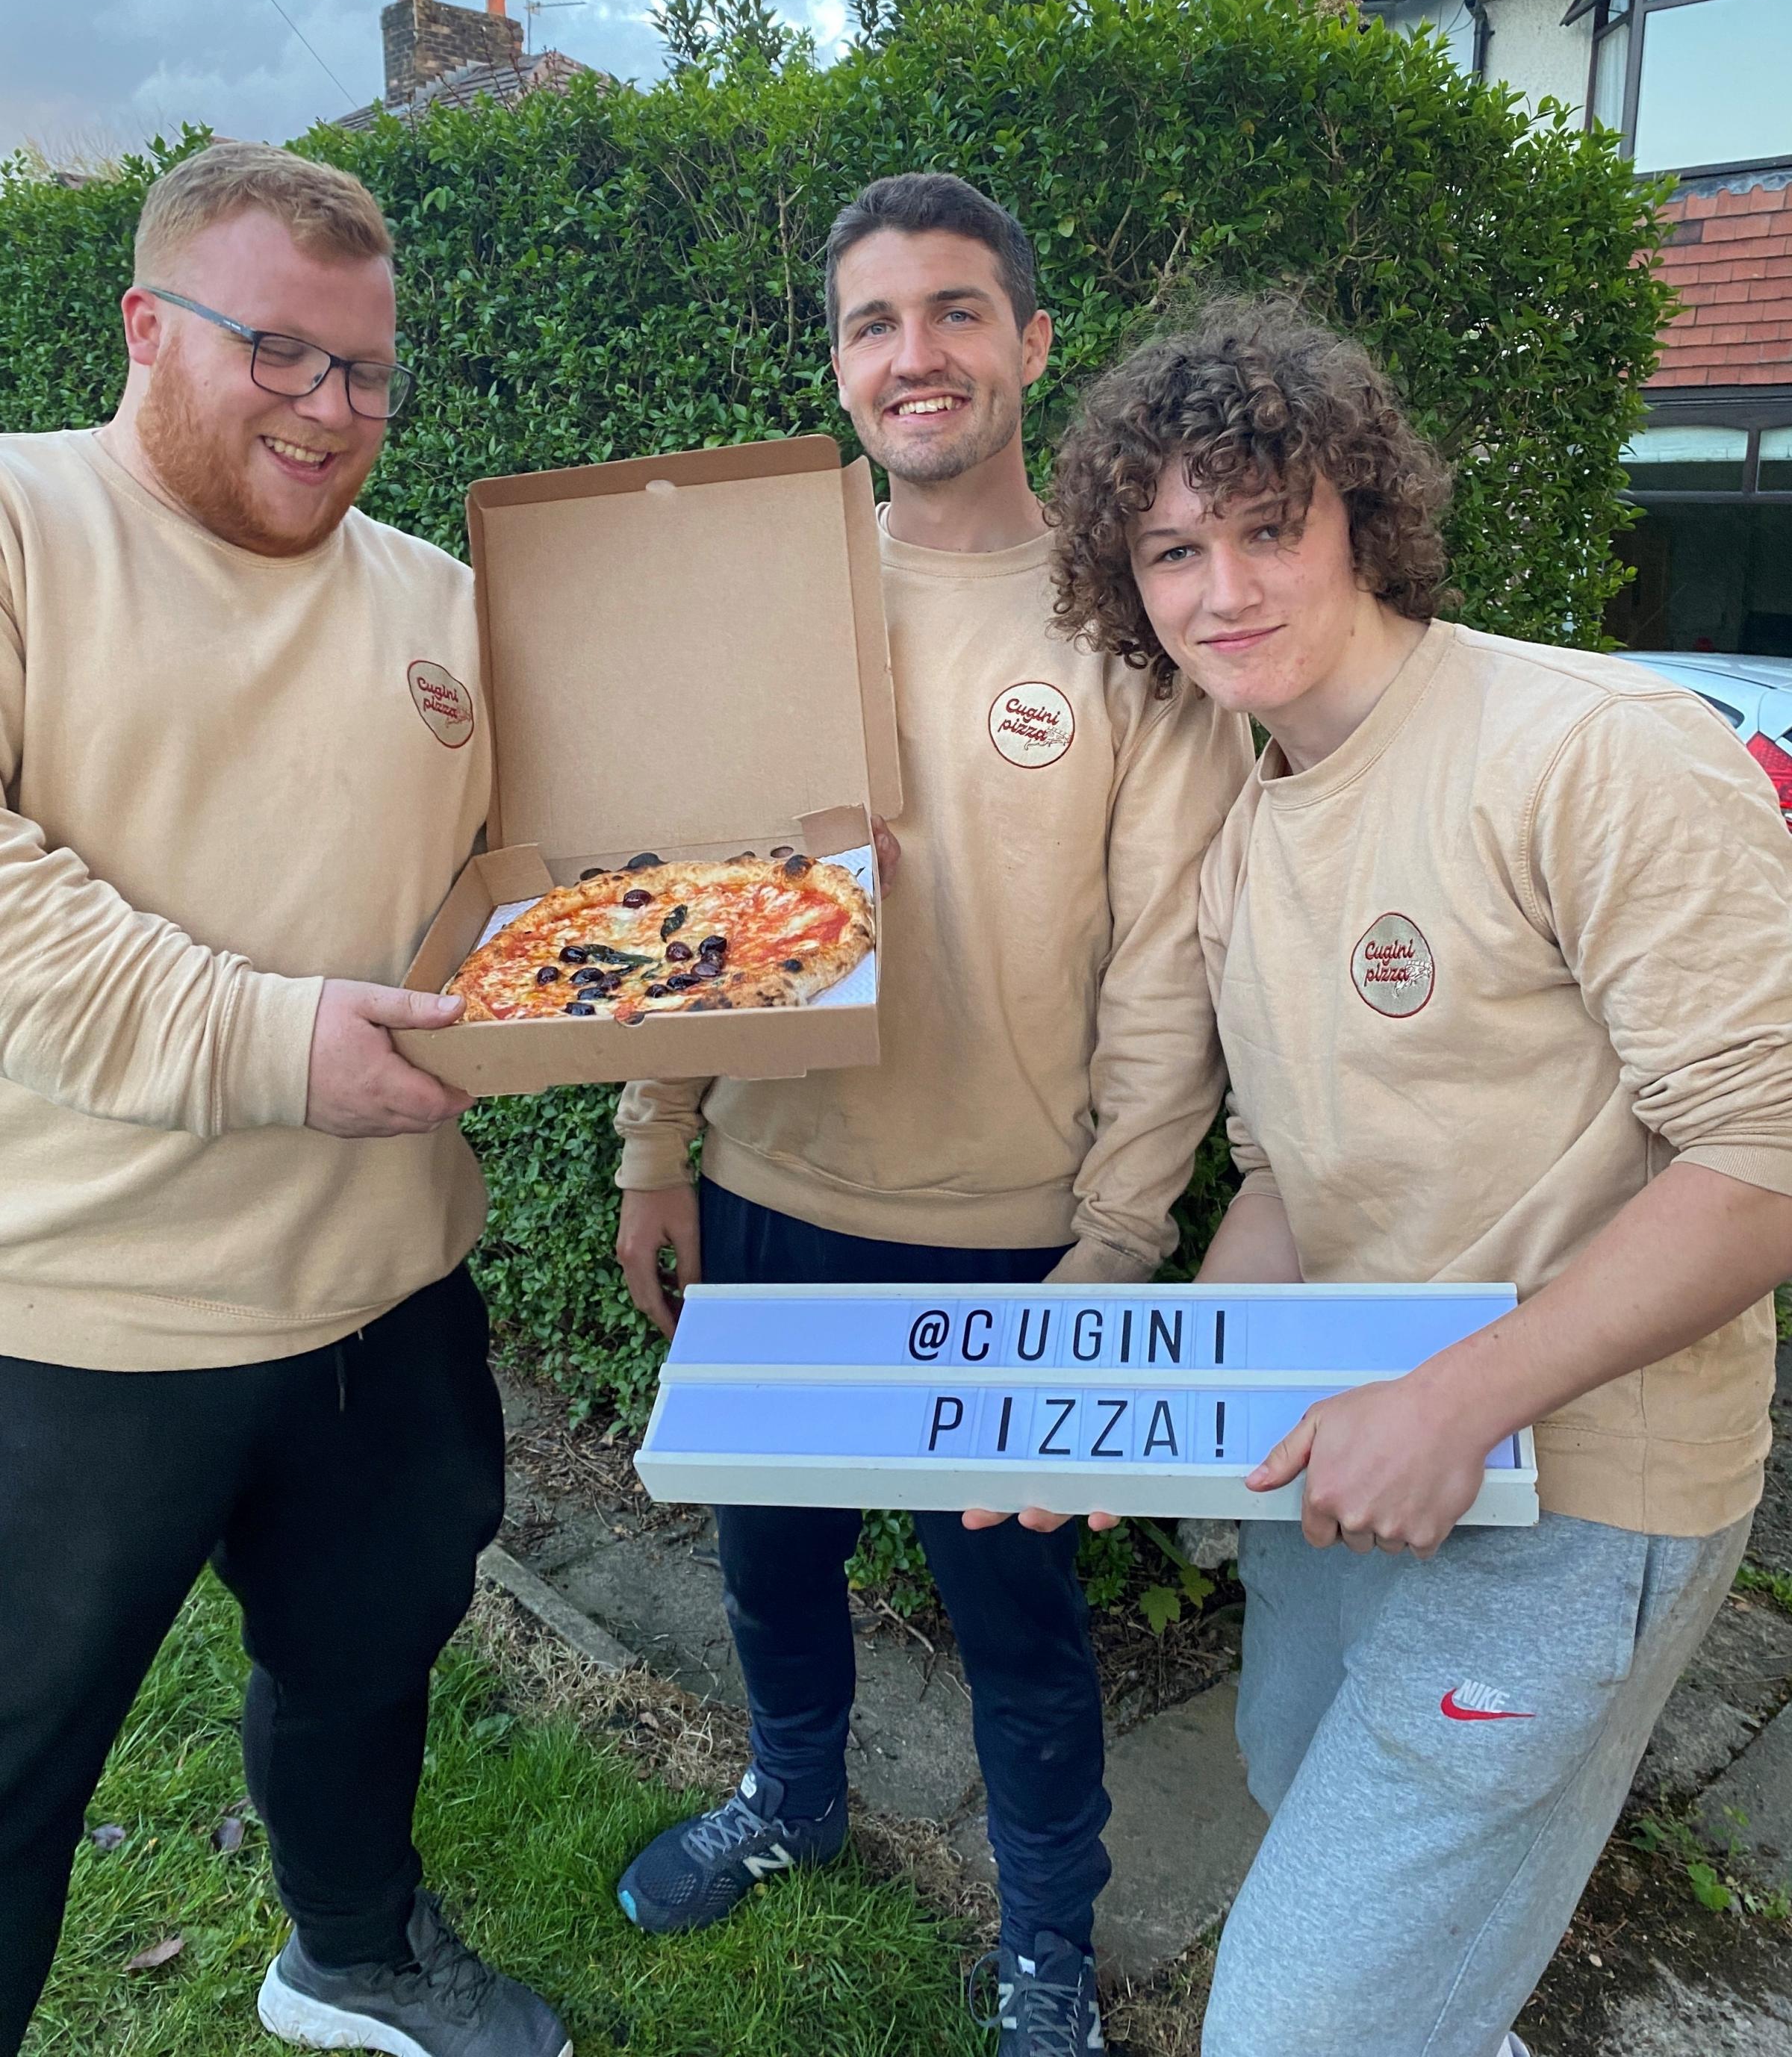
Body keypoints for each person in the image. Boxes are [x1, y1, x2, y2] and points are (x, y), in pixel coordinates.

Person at [1045, 291, 1792, 2057]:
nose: (1221, 588)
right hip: (1355, 1457)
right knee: (1323, 1824)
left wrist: (1459, 1397)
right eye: (1170, 550)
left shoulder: (1587, 750)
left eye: (1266, 524)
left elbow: (1766, 1155)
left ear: (1360, 514)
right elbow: (1289, 1173)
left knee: (1298, 2019)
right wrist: (1167, 1401)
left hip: (1585, 1487)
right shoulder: (1245, 835)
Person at [609, 172, 1252, 2050]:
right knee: (770, 1558)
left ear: (1033, 344)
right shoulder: (769, 601)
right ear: (837, 363)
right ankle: (793, 1798)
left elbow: (1166, 971)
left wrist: (1118, 1241)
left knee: (1023, 1630)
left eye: (959, 311)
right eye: (877, 322)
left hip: (1007, 1233)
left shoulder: (1129, 619)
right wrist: (658, 1140)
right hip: (775, 1191)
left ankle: (1047, 1935)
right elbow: (693, 895)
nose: (918, 355)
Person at [0, 143, 569, 2057]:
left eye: (370, 372)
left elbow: (544, 866)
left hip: (385, 1294)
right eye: (282, 354)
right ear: (148, 327)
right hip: (74, 1320)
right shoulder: (17, 520)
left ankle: (351, 1950)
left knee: (364, 1659)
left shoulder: (442, 600)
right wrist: (268, 1039)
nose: (334, 412)